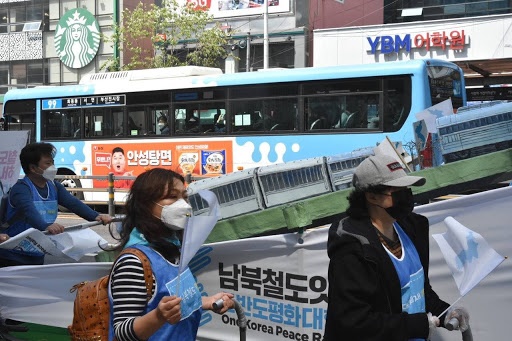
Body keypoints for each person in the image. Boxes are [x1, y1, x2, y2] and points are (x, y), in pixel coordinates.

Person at [324, 154, 469, 341]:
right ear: (372, 196)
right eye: (397, 191)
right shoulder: (352, 249)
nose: (407, 197)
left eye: (407, 189)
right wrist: (418, 325)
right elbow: (353, 321)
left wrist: (445, 312)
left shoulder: (411, 230)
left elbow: (417, 291)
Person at [107, 168, 234, 340]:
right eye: (172, 197)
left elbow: (173, 300)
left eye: (184, 196)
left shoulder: (173, 249)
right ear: (146, 204)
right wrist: (158, 317)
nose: (183, 205)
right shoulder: (133, 262)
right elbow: (120, 333)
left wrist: (207, 302)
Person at [0, 142, 112, 267]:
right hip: (11, 254)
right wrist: (46, 225)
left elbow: (72, 203)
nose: (53, 167)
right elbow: (28, 210)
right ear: (33, 168)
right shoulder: (21, 189)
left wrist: (96, 216)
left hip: (36, 253)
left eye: (52, 162)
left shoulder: (54, 186)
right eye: (47, 163)